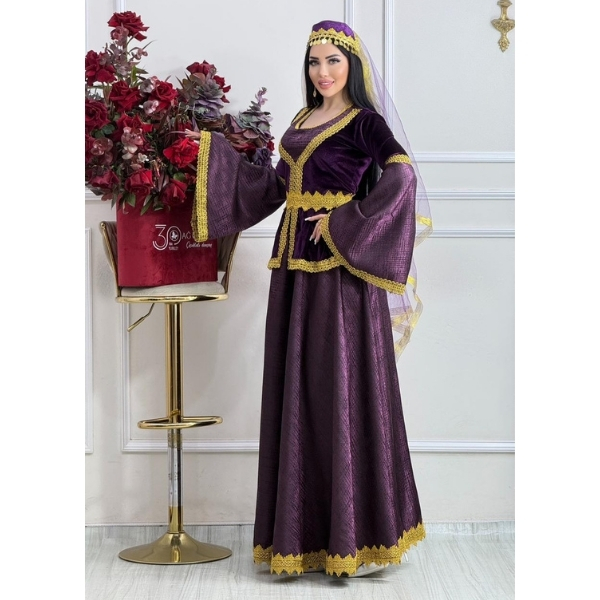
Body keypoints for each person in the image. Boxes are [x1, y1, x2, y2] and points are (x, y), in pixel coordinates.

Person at [185, 19, 432, 578]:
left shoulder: (365, 122)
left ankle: (356, 540)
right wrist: (212, 153)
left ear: (352, 65)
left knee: (339, 388)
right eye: (315, 62)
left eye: (333, 61)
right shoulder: (301, 121)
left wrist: (345, 220)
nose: (323, 71)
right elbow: (275, 188)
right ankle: (302, 540)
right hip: (293, 274)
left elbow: (402, 177)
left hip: (340, 275)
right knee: (300, 390)